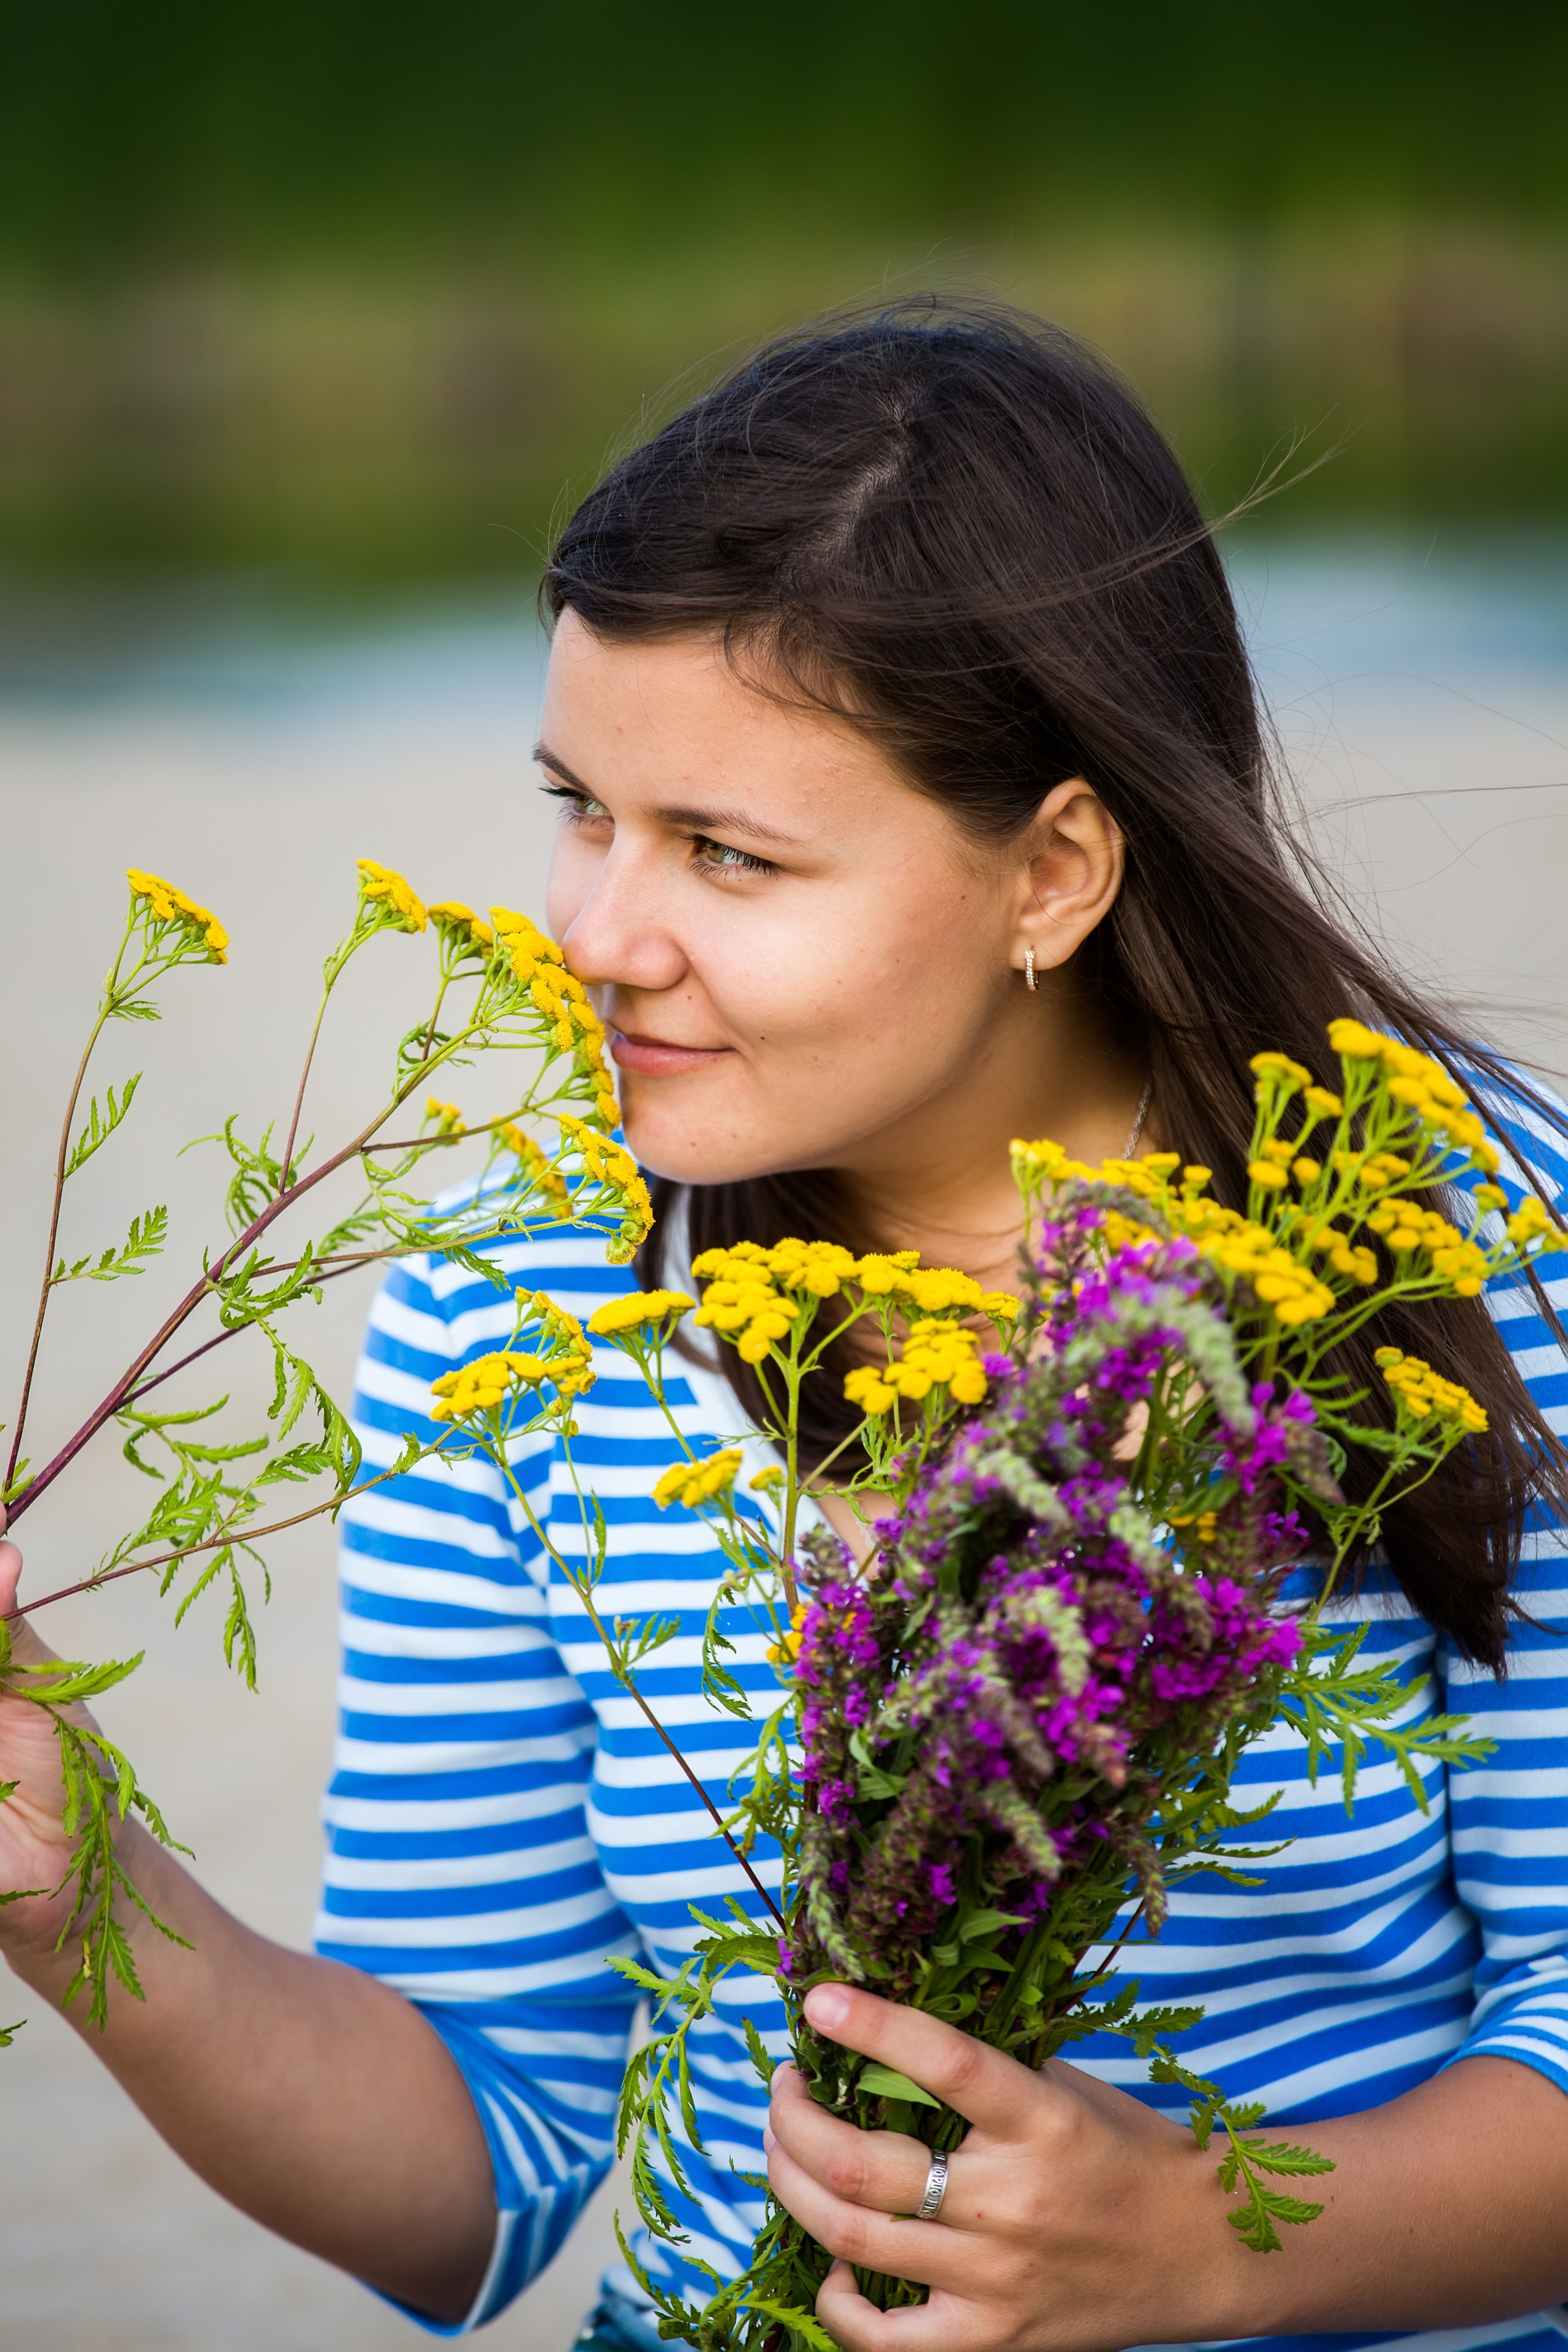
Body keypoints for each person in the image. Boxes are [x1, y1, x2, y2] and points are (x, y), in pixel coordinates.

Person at [2, 298, 1567, 2352]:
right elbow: (472, 2177)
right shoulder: (520, 1305)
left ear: (1058, 868)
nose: (593, 932)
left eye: (729, 854)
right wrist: (74, 1880)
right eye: (583, 805)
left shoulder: (1468, 1244)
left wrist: (1197, 2246)